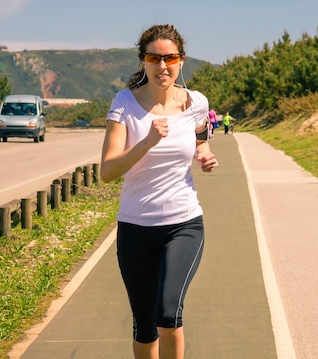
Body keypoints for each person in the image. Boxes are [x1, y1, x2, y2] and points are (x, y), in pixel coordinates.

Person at [100, 24, 218, 359]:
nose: (162, 66)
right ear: (143, 61)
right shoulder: (125, 103)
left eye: (170, 58)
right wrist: (148, 142)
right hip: (135, 228)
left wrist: (204, 155)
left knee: (168, 315)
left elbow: (200, 140)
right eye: (154, 58)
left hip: (183, 224)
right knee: (145, 325)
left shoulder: (196, 102)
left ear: (181, 60)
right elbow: (107, 171)